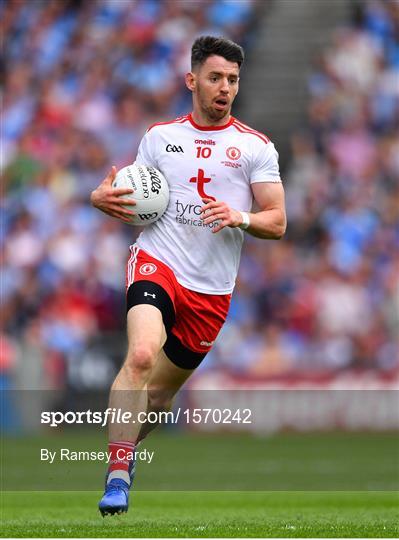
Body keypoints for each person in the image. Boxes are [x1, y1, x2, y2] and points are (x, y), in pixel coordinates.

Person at [91, 35, 286, 516]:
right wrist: (101, 198)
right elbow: (133, 195)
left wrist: (241, 217)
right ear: (192, 79)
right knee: (140, 355)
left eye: (233, 80)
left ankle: (127, 451)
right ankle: (116, 474)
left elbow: (277, 221)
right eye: (216, 77)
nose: (225, 88)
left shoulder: (254, 147)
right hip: (158, 262)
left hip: (212, 290)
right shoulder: (160, 137)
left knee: (156, 398)